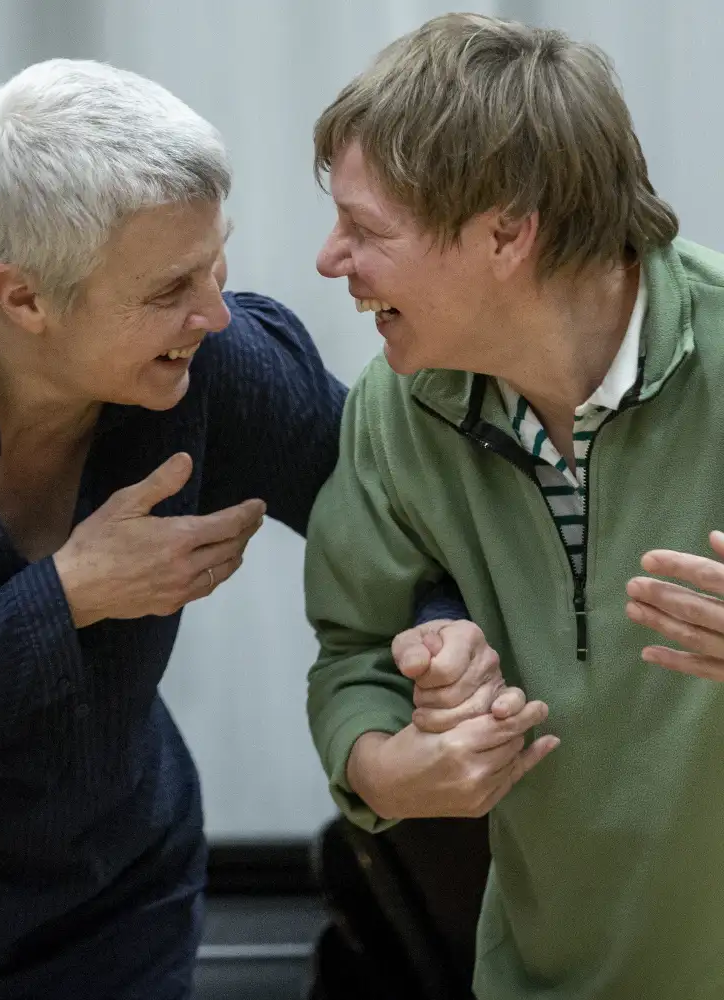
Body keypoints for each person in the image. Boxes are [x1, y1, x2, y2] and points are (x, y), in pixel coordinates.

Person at [0, 57, 484, 999]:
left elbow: (413, 523)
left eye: (215, 261)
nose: (215, 311)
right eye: (169, 287)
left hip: (119, 911)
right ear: (23, 299)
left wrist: (443, 641)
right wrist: (64, 597)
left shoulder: (217, 361)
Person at [305, 12, 724, 999]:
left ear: (505, 230)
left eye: (364, 229)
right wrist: (385, 769)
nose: (330, 259)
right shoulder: (394, 406)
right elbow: (350, 656)